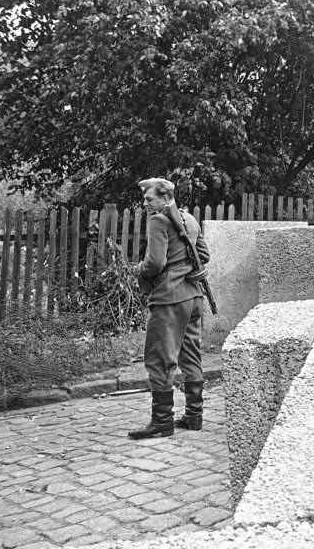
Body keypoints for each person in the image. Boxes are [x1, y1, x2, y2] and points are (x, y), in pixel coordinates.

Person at [129, 178, 210, 440]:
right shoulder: (190, 220)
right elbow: (204, 256)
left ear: (165, 199)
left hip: (169, 298)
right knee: (191, 355)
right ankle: (194, 416)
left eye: (149, 199)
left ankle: (162, 422)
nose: (145, 204)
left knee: (159, 359)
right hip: (194, 297)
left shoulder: (158, 220)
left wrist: (138, 270)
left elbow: (154, 263)